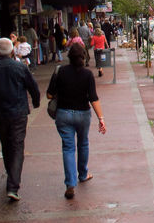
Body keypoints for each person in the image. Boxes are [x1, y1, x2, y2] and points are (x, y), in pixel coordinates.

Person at [0, 38, 40, 202]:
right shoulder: (20, 67)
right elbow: (33, 86)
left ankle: (11, 176)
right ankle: (13, 185)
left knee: (7, 145)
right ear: (12, 51)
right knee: (17, 145)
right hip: (18, 112)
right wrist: (36, 101)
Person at [46, 44, 107, 200]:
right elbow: (93, 98)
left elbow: (49, 95)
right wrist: (101, 118)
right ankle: (83, 174)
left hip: (63, 114)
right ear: (84, 57)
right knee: (83, 143)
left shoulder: (60, 72)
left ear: (69, 57)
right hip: (83, 115)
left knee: (68, 147)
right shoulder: (87, 75)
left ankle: (70, 183)